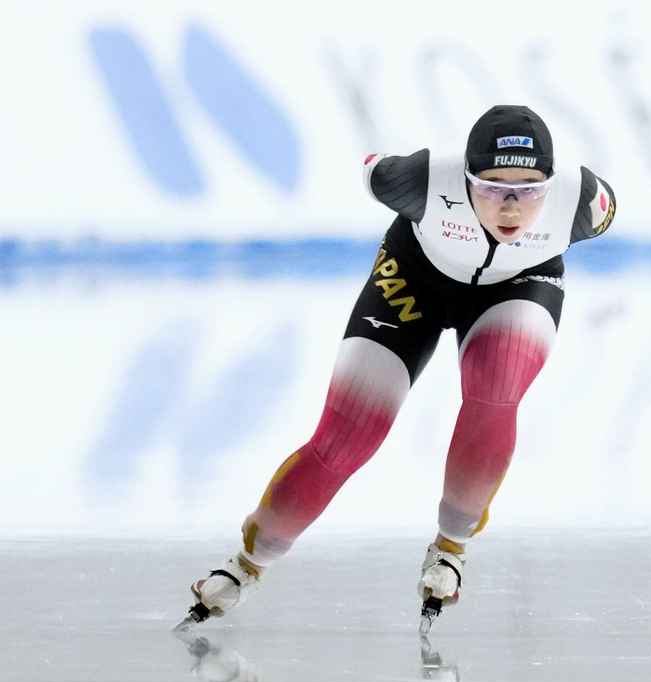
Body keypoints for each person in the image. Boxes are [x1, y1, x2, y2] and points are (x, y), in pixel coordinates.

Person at [180, 105, 616, 632]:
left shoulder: (583, 202)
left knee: (497, 385)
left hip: (520, 285)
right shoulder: (416, 180)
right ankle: (247, 563)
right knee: (346, 436)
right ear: (464, 178)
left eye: (528, 190)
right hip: (414, 281)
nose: (510, 206)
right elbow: (370, 165)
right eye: (493, 186)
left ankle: (451, 546)